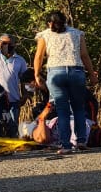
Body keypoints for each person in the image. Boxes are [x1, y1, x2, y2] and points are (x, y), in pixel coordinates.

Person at [32, 10, 97, 155]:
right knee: (79, 108)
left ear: (49, 23)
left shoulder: (45, 35)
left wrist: (36, 74)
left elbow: (39, 56)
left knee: (62, 111)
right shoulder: (77, 33)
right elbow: (84, 55)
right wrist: (92, 75)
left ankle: (66, 145)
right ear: (65, 21)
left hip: (56, 73)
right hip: (77, 71)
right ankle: (81, 141)